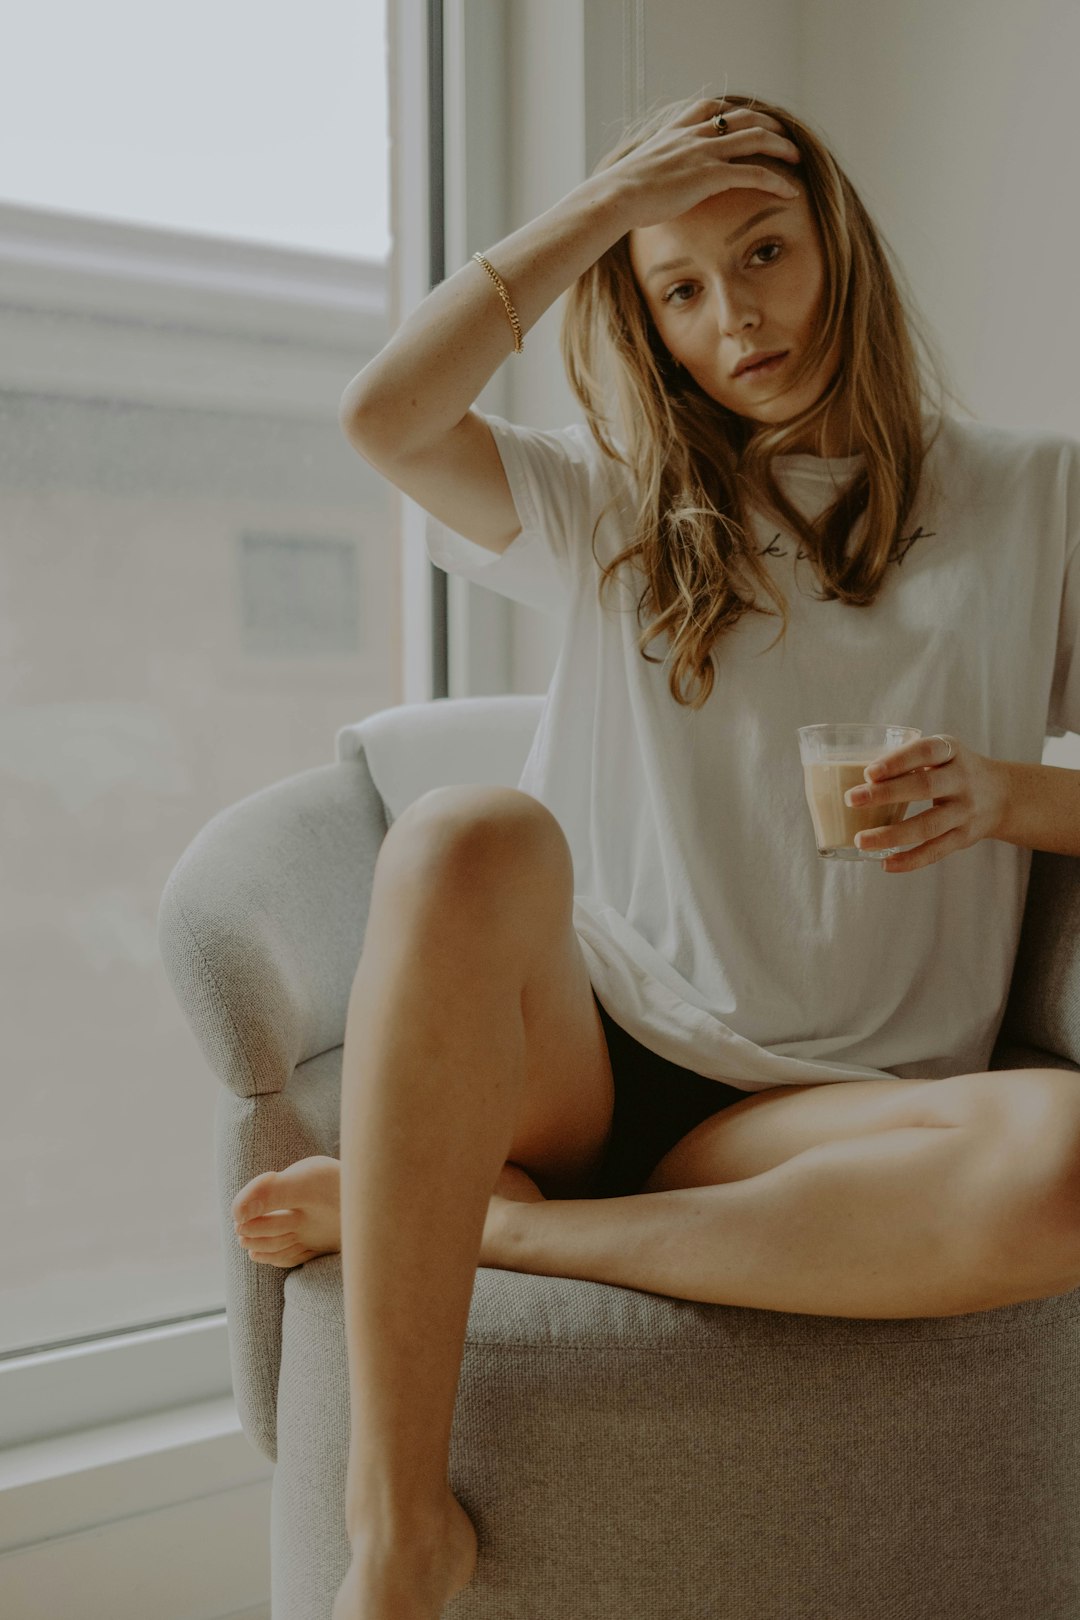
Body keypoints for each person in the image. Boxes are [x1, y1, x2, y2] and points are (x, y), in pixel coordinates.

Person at [231, 92, 1080, 1620]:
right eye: (678, 289)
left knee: (1071, 1165)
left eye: (764, 254)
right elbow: (385, 419)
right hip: (593, 1048)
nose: (734, 317)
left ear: (844, 252)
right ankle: (395, 1528)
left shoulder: (1037, 498)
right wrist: (597, 208)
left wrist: (1014, 797)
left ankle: (501, 1226)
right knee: (463, 833)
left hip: (831, 1114)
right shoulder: (618, 501)